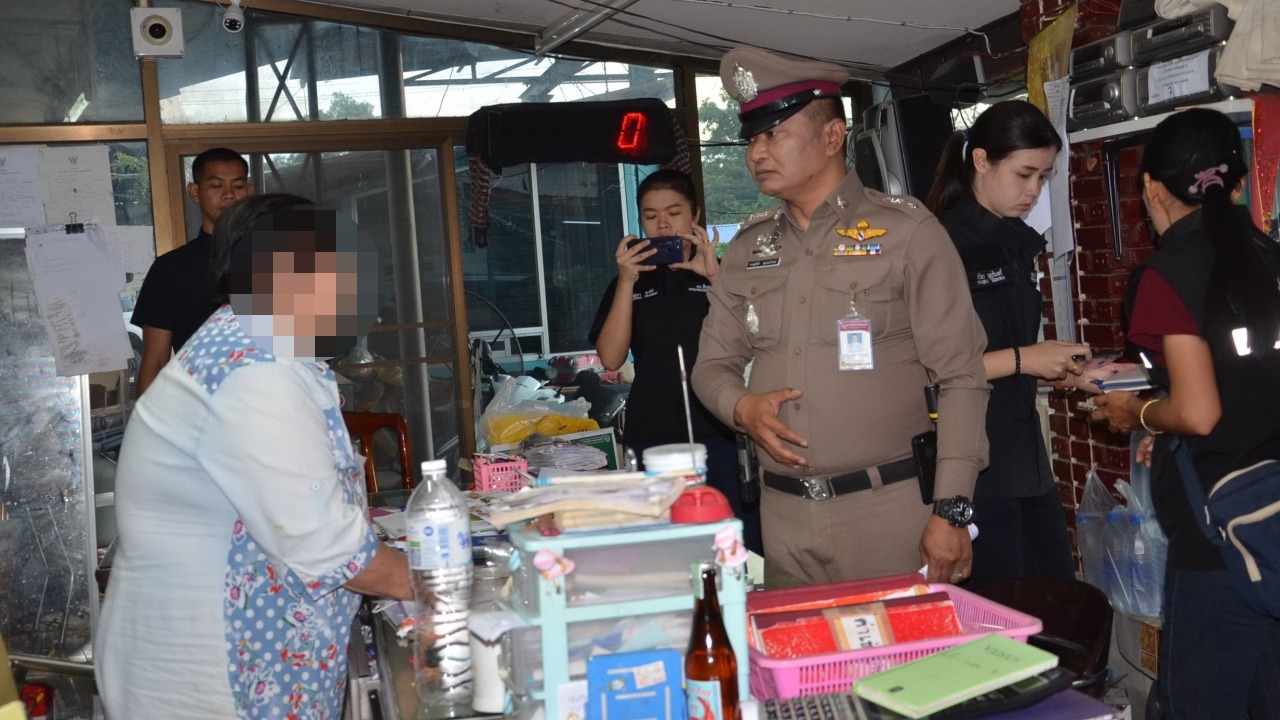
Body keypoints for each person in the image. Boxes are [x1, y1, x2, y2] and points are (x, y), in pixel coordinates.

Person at [96, 194, 408, 719]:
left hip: (243, 657)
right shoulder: (252, 371)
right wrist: (443, 586)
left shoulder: (255, 344)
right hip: (211, 678)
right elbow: (325, 546)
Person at [692, 46, 990, 586]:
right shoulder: (748, 247)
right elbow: (711, 365)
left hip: (887, 512)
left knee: (899, 646)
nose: (756, 152)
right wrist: (741, 406)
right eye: (751, 138)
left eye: (774, 133)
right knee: (796, 645)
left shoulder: (907, 233)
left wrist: (952, 510)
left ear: (832, 136)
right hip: (783, 517)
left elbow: (962, 377)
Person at [1090, 108, 1280, 720]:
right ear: (1241, 183)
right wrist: (1170, 430)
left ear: (1151, 187)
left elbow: (1198, 412)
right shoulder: (1271, 257)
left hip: (1220, 535)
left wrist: (1141, 413)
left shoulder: (1170, 274)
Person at [925, 100, 1132, 588]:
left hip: (1021, 454)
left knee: (1057, 598)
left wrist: (1070, 372)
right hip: (969, 460)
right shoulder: (940, 244)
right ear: (981, 160)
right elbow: (931, 369)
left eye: (1043, 177)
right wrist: (1027, 358)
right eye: (1024, 174)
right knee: (1001, 611)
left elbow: (1013, 357)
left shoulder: (1016, 242)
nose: (1034, 190)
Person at [588, 169, 763, 555]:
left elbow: (757, 340)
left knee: (732, 544)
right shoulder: (630, 280)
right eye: (650, 216)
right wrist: (626, 282)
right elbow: (611, 358)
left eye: (674, 212)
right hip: (653, 434)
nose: (663, 224)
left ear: (695, 215)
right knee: (665, 549)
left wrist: (715, 278)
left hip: (720, 430)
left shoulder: (722, 272)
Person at [131, 147, 253, 396]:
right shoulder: (170, 268)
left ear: (249, 192)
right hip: (198, 407)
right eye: (216, 185)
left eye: (238, 186)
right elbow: (155, 361)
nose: (229, 194)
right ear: (195, 192)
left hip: (271, 406)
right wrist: (146, 417)